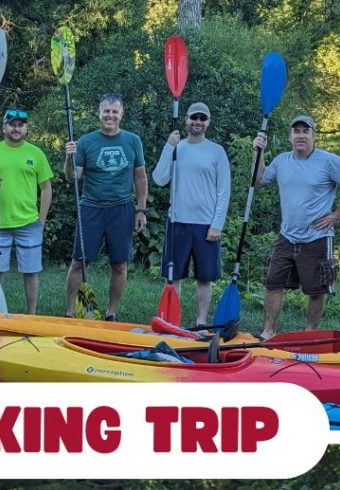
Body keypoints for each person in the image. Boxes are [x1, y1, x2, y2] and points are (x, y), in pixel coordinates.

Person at [254, 115, 340, 338]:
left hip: (317, 237)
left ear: (313, 135)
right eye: (296, 132)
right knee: (273, 283)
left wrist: (337, 214)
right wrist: (258, 152)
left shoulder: (329, 161)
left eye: (305, 131)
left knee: (316, 289)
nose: (301, 135)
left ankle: (309, 333)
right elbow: (259, 181)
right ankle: (269, 331)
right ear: (290, 137)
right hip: (287, 236)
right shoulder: (281, 161)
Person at [63, 93, 148, 320]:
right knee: (79, 262)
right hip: (91, 208)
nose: (110, 115)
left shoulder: (132, 141)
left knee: (119, 264)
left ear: (121, 114)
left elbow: (140, 177)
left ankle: (111, 313)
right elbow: (73, 177)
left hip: (121, 209)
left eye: (114, 111)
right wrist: (68, 157)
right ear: (99, 113)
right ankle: (70, 311)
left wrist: (141, 210)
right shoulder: (86, 142)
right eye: (106, 111)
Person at [151, 101, 231, 328]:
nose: (197, 122)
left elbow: (224, 191)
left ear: (208, 122)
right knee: (173, 276)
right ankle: (173, 320)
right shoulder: (176, 147)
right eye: (193, 118)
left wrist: (217, 224)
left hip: (206, 225)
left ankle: (201, 321)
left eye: (202, 119)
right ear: (186, 120)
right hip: (178, 222)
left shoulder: (217, 151)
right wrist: (168, 146)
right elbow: (159, 179)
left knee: (204, 277)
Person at [0, 108, 54, 313]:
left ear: (26, 128)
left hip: (29, 223)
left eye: (20, 125)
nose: (16, 128)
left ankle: (32, 314)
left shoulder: (36, 153)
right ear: (4, 127)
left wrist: (41, 221)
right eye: (12, 124)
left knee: (31, 271)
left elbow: (46, 188)